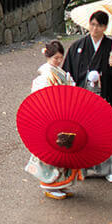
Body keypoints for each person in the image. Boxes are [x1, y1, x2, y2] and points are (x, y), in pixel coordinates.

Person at [64, 10, 112, 183]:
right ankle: (83, 168)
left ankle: (109, 169)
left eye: (99, 25)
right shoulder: (78, 46)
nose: (94, 29)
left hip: (105, 95)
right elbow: (67, 72)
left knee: (106, 132)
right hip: (83, 96)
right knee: (84, 132)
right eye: (92, 24)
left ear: (105, 27)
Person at [24, 40, 83, 199]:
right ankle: (49, 185)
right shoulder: (46, 76)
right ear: (48, 56)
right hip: (50, 117)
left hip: (62, 116)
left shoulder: (59, 72)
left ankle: (61, 184)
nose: (58, 60)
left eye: (60, 57)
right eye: (55, 57)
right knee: (52, 151)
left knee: (64, 149)